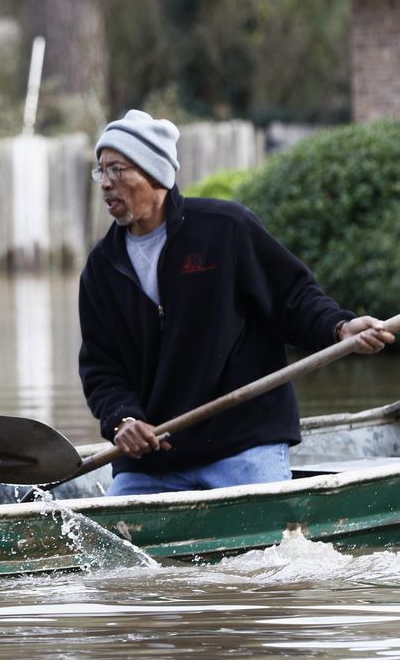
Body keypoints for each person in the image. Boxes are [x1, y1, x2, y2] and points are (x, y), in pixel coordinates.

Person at [78, 109, 394, 496]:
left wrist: (340, 327)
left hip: (243, 446)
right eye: (101, 171)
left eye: (116, 170)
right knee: (110, 550)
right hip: (154, 463)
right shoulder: (101, 268)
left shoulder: (226, 230)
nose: (105, 184)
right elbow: (101, 367)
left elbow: (292, 299)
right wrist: (121, 420)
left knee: (272, 552)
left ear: (154, 173)